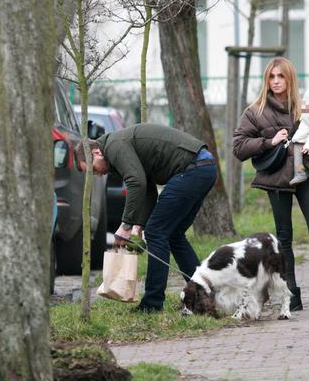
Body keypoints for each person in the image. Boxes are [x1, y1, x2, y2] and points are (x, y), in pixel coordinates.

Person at [232, 57, 309, 310]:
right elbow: (238, 147)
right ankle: (291, 295)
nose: (276, 81)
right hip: (276, 179)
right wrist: (269, 142)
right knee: (284, 237)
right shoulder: (255, 111)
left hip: (305, 174)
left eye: (280, 76)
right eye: (271, 77)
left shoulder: (305, 106)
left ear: (289, 78)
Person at [74, 123, 217, 312]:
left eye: (91, 169)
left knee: (156, 233)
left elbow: (136, 182)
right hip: (204, 167)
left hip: (192, 168)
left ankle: (152, 303)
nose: (96, 175)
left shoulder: (114, 146)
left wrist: (126, 225)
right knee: (173, 234)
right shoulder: (115, 148)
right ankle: (202, 294)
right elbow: (148, 188)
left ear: (96, 153)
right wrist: (139, 224)